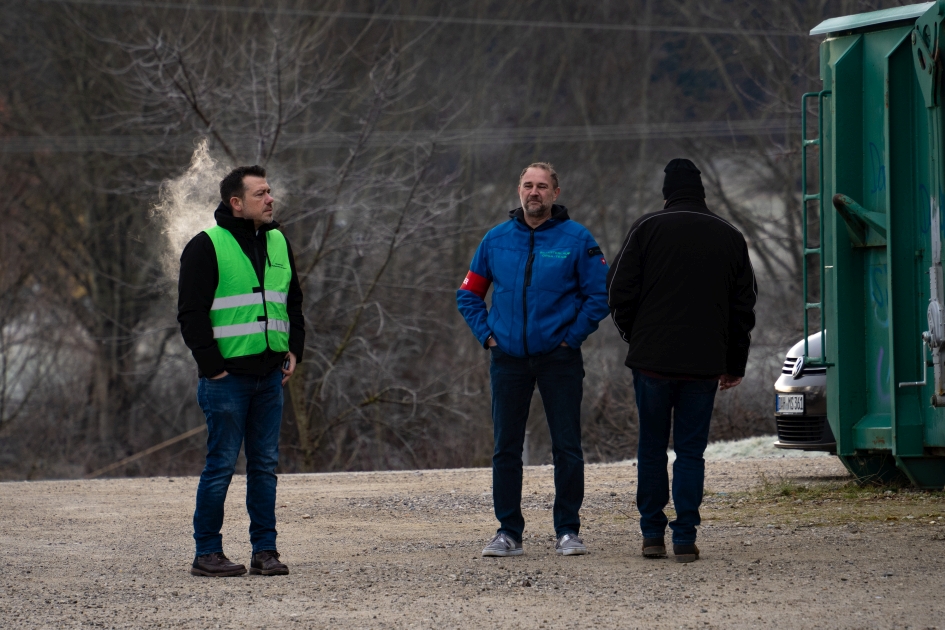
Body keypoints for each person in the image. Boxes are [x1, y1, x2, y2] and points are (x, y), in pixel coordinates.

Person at [606, 158, 757, 563]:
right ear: (702, 190)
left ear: (667, 191)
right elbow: (744, 308)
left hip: (651, 361)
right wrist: (734, 363)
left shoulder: (646, 227)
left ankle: (652, 534)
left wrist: (635, 338)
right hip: (704, 365)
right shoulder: (730, 235)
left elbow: (617, 292)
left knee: (652, 449)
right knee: (691, 452)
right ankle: (686, 536)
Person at [457, 162, 609, 557]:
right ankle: (508, 532)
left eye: (542, 186)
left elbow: (600, 296)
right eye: (527, 185)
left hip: (559, 359)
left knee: (567, 447)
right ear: (518, 191)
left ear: (556, 193)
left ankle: (568, 531)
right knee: (506, 447)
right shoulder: (495, 240)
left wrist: (570, 338)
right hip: (507, 358)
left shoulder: (577, 239)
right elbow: (468, 294)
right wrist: (487, 335)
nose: (534, 192)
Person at [178, 165, 305, 577]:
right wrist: (212, 368)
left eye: (269, 192)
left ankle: (264, 551)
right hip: (226, 380)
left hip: (270, 376)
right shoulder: (205, 246)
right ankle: (207, 553)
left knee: (265, 466)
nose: (270, 200)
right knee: (220, 466)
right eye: (260, 194)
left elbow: (294, 303)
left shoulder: (279, 241)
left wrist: (294, 351)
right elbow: (191, 314)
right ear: (236, 202)